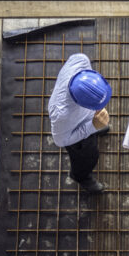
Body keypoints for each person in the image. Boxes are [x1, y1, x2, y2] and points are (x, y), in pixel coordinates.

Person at [48, 53, 112, 193]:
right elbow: (61, 140)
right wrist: (91, 127)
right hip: (74, 131)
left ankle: (97, 128)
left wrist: (94, 123)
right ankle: (80, 177)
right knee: (89, 156)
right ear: (81, 104)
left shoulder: (81, 61)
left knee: (96, 131)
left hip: (85, 119)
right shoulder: (62, 115)